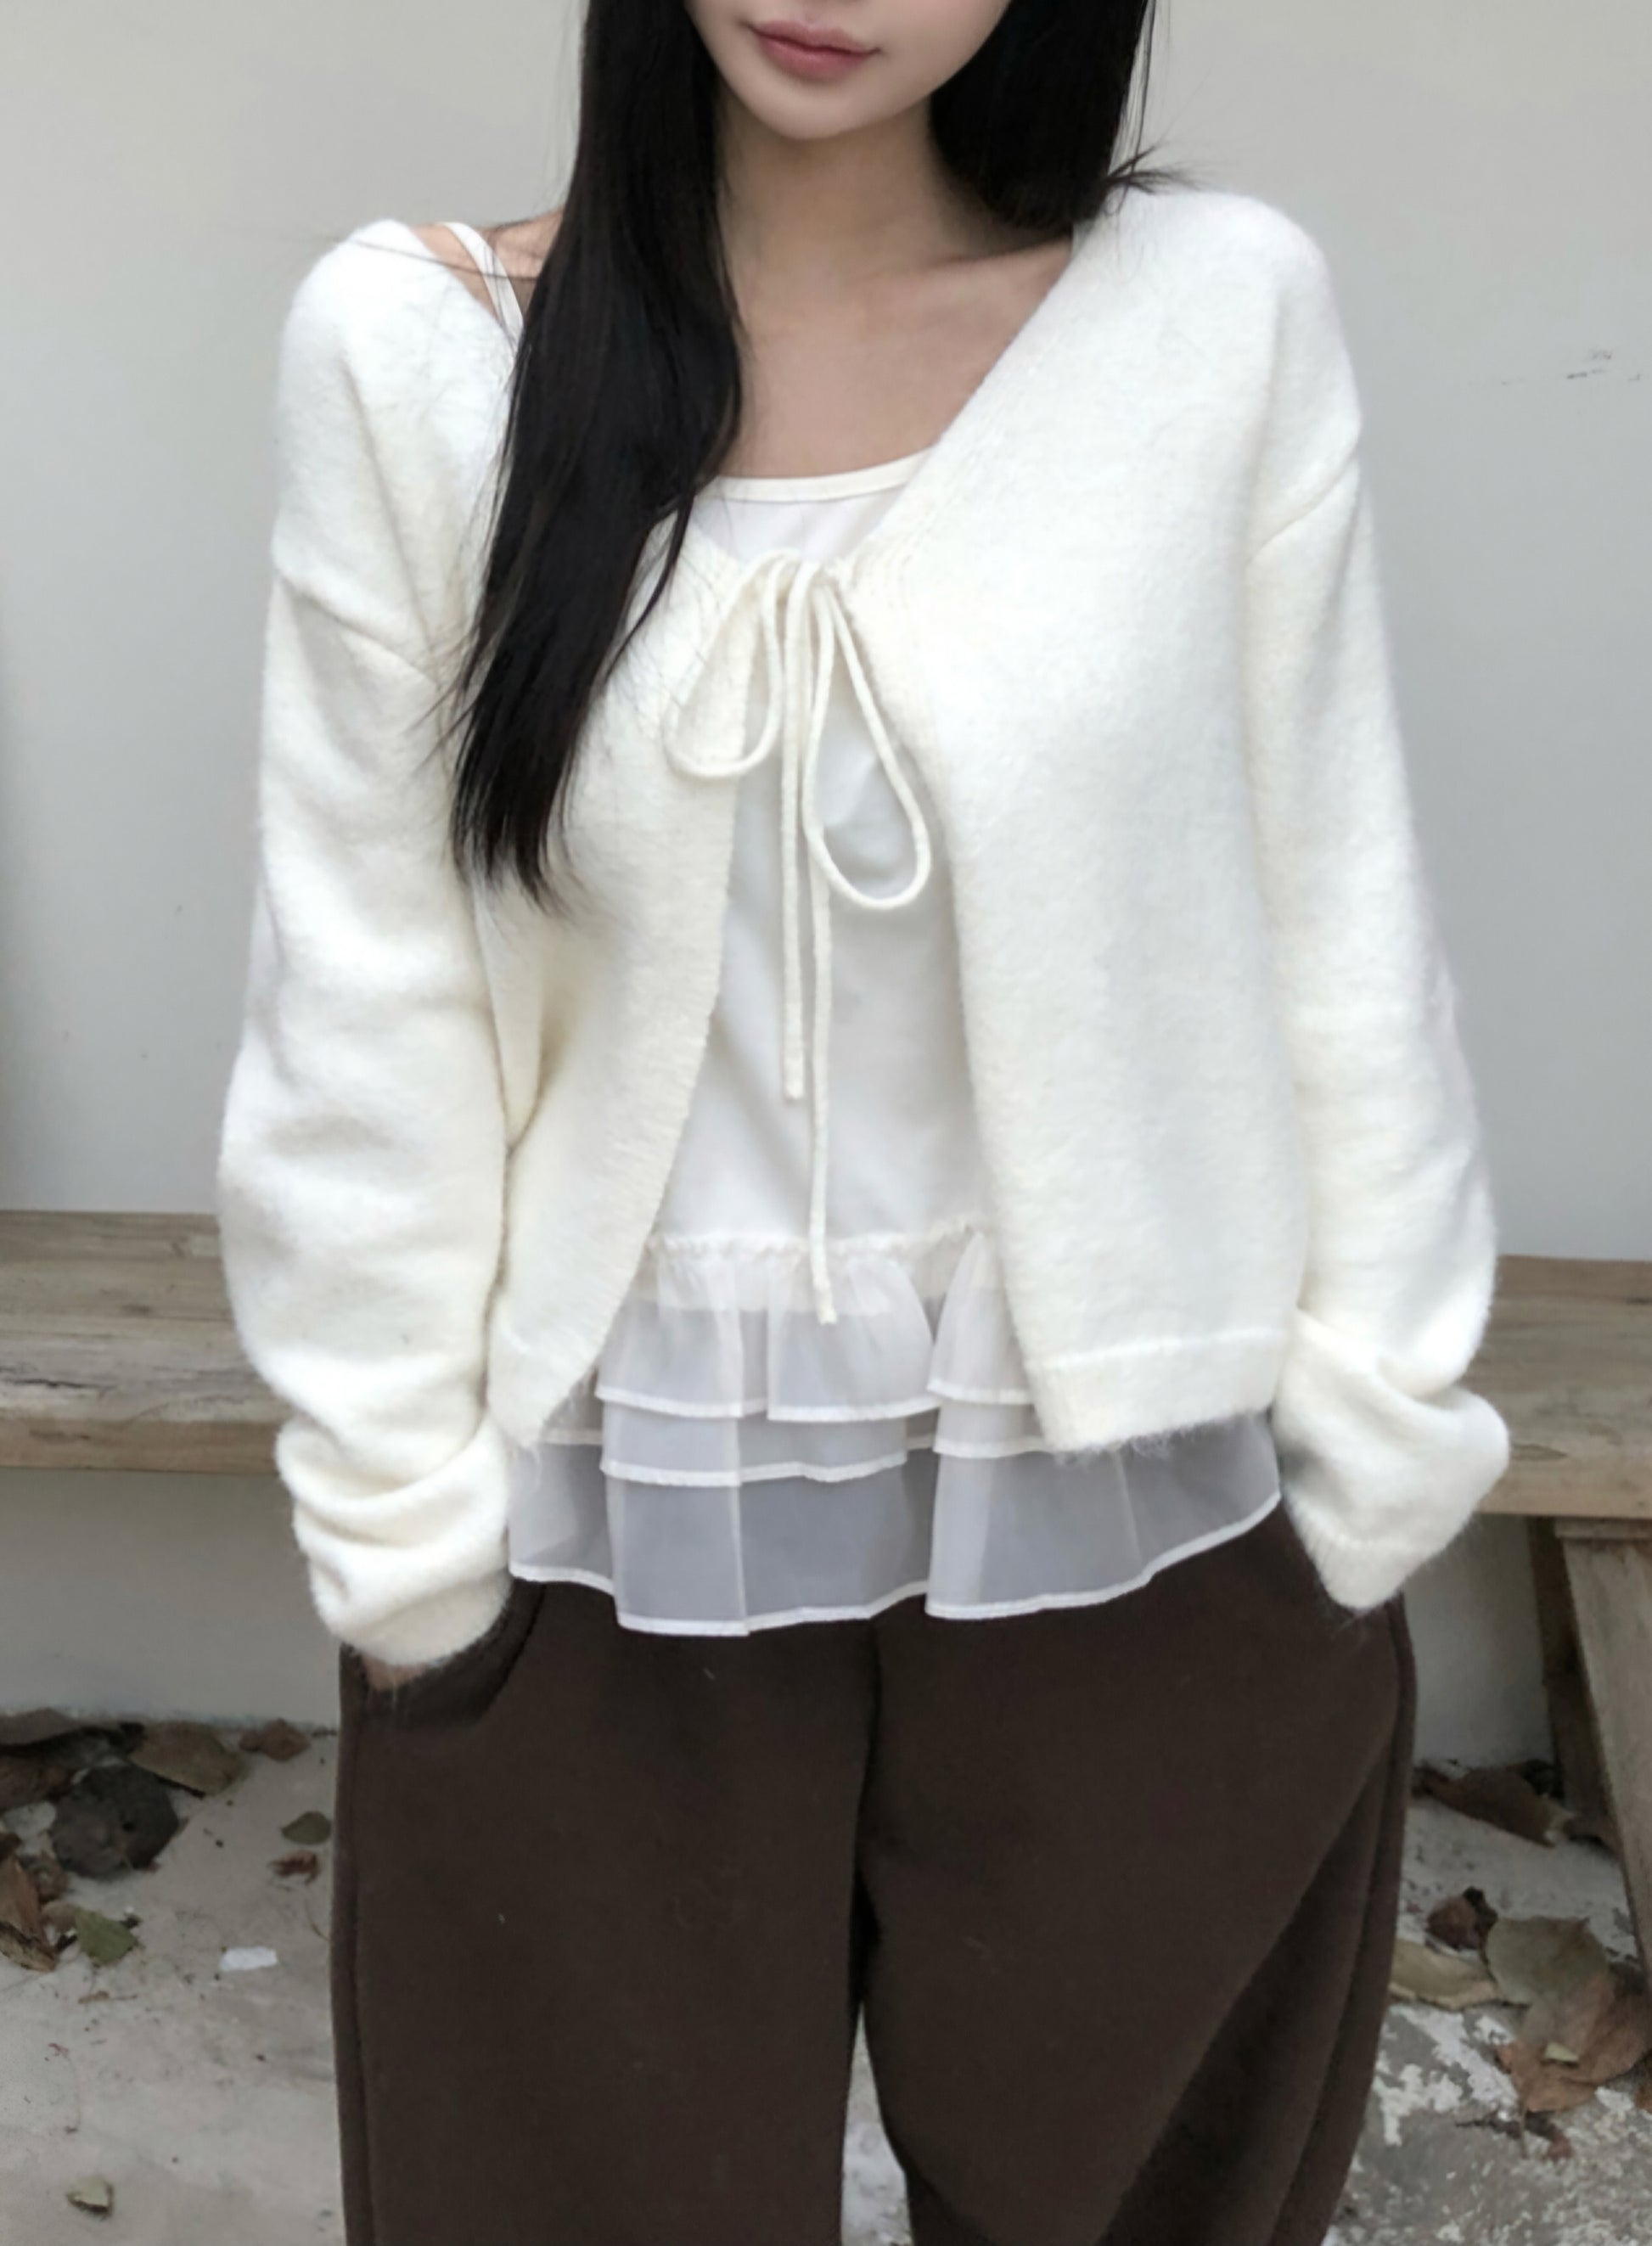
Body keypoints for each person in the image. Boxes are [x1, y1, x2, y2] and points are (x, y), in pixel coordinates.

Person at [215, 2, 1513, 2239]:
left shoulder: (1210, 320)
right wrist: (406, 1550)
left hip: (1150, 1499)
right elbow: (366, 990)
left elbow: (1336, 895)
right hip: (595, 1523)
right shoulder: (414, 355)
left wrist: (1375, 1451)